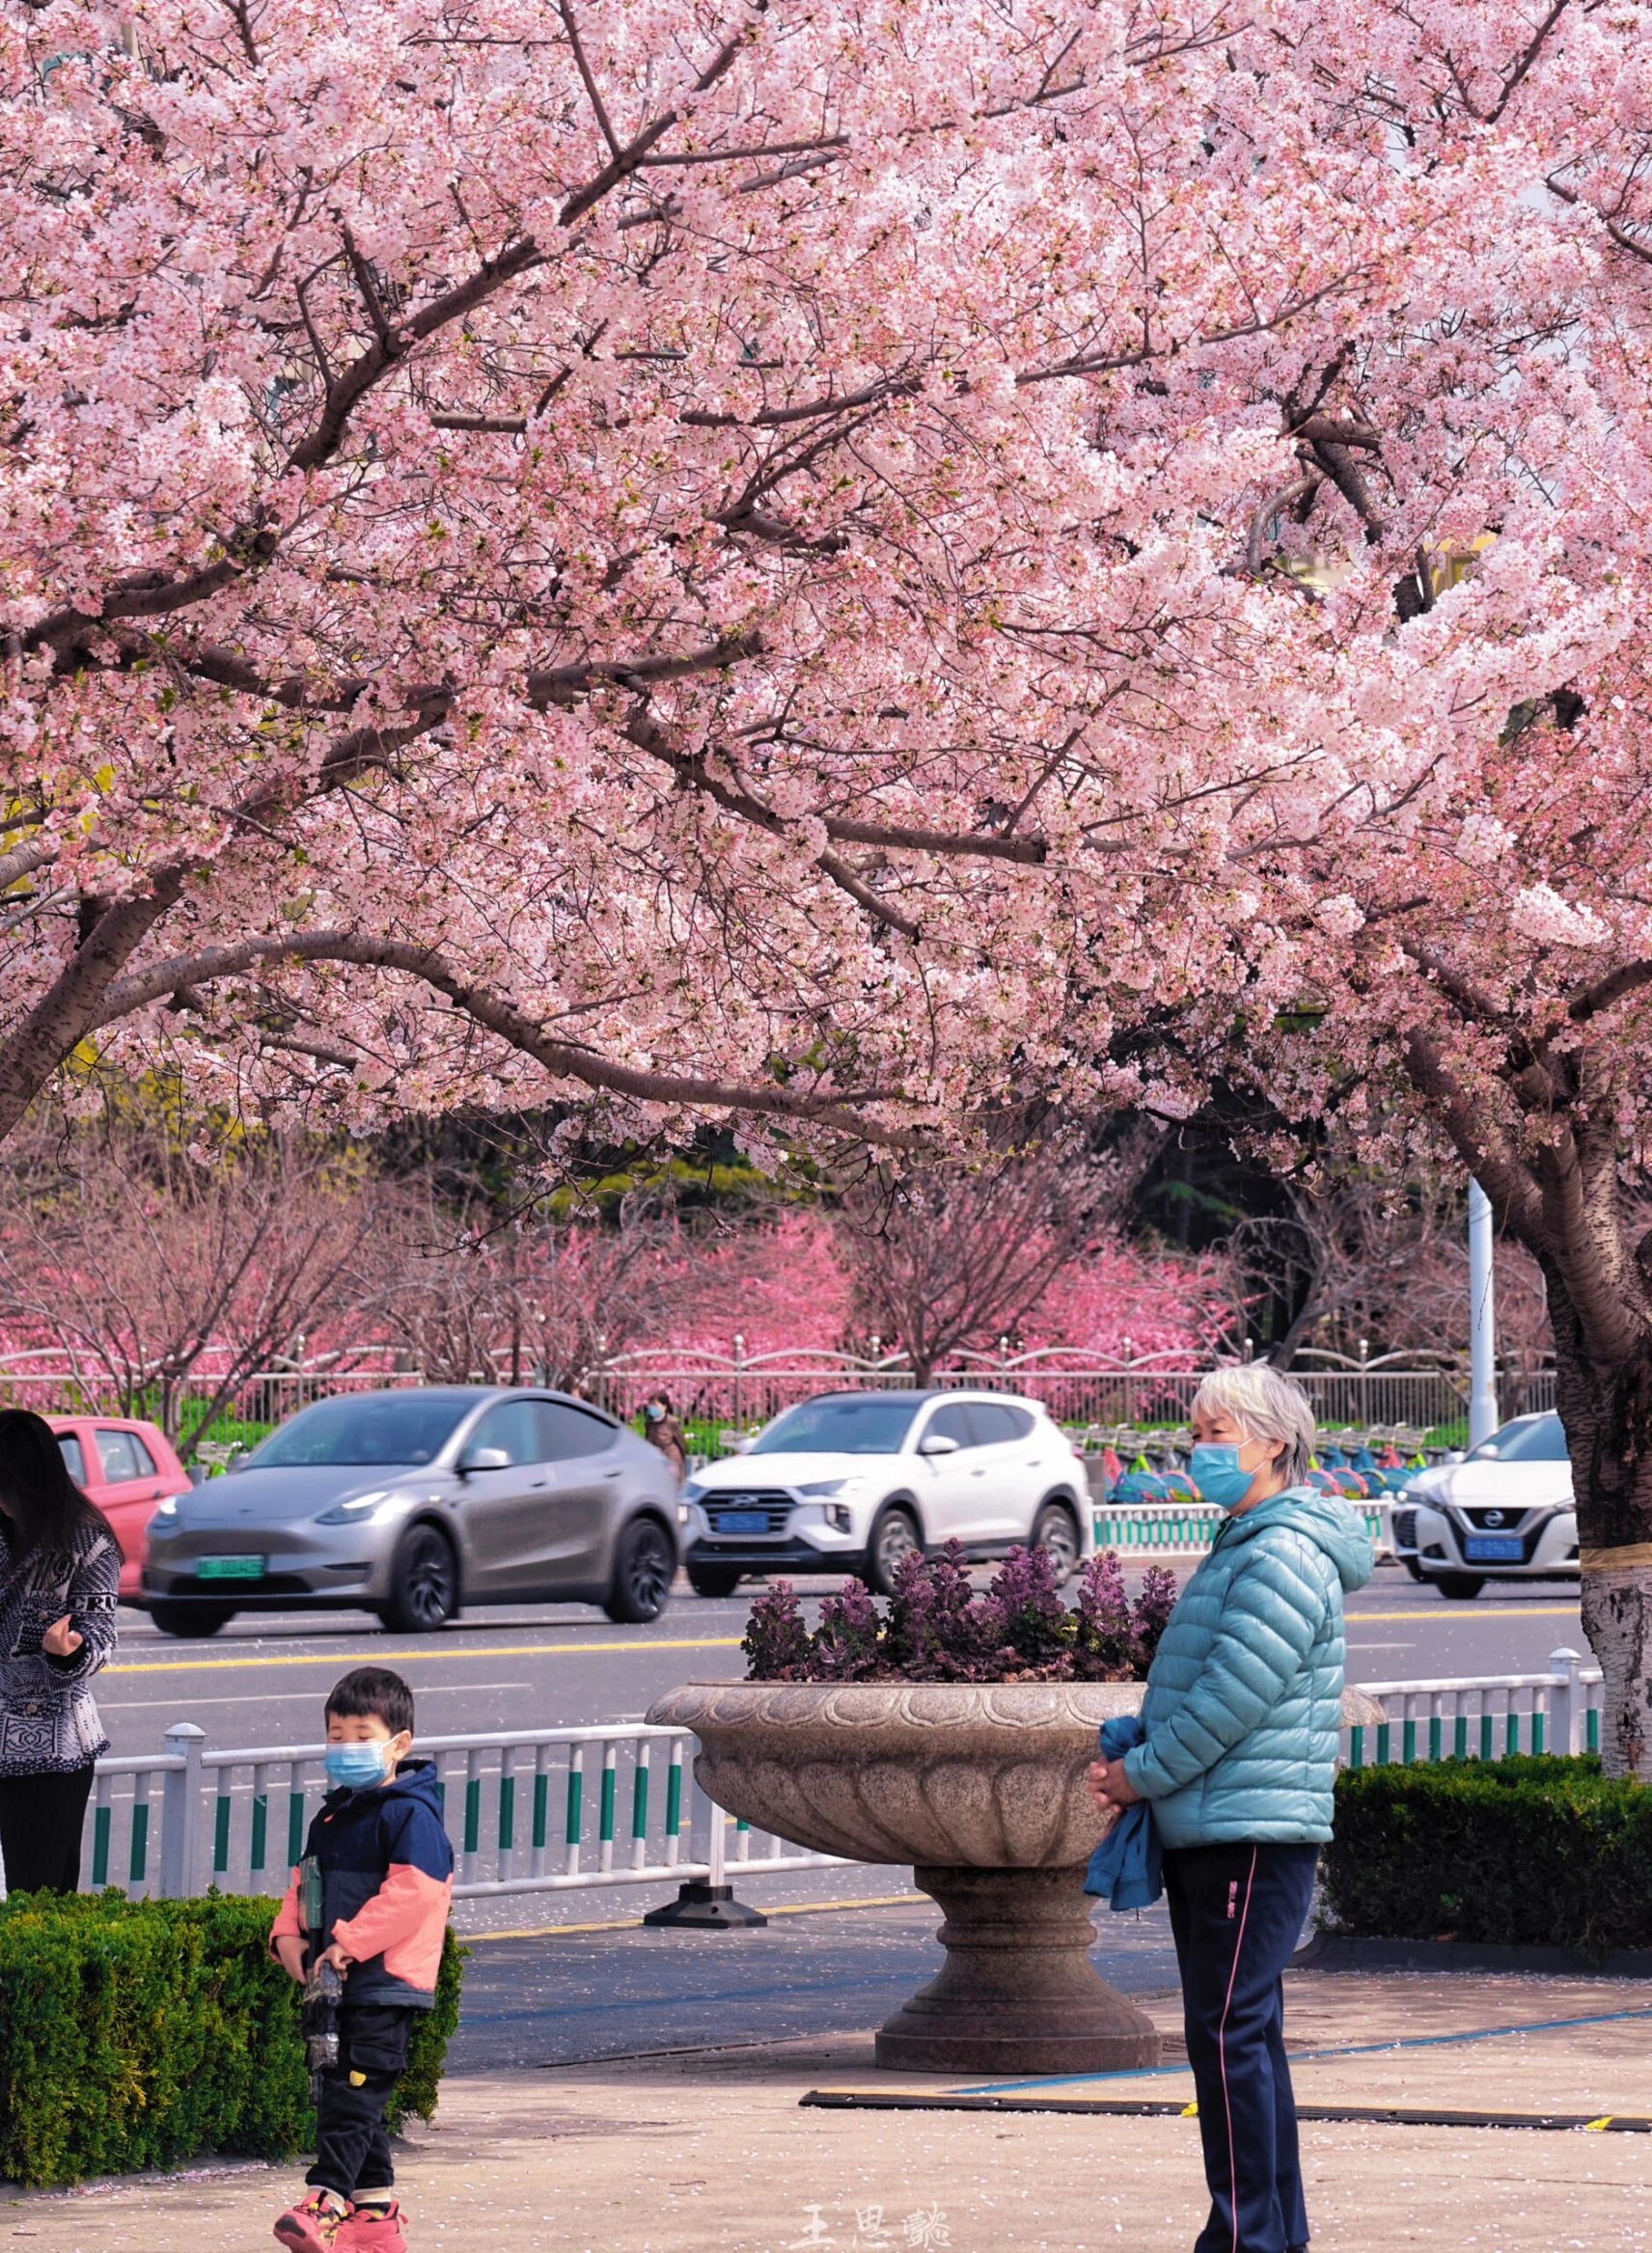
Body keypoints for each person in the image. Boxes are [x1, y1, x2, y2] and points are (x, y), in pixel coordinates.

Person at [1088, 1364, 1372, 2253]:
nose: (1199, 1450)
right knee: (1243, 2032)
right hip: (1224, 1823)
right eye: (1199, 1432)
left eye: (1217, 1434)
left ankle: (1247, 2237)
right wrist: (1137, 1736)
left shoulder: (1281, 1550)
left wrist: (1142, 1773)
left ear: (1272, 1443)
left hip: (1248, 1830)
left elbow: (1230, 1701)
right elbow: (1206, 1681)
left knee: (1227, 2034)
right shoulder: (1248, 1539)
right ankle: (1272, 2235)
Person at [271, 1666, 454, 2253]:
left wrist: (349, 1943)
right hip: (335, 1985)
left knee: (354, 2095)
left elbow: (417, 1892)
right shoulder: (332, 1816)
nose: (346, 1747)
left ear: (400, 1743)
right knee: (345, 2092)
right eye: (336, 1734)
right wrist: (287, 1936)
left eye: (361, 1734)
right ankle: (374, 2221)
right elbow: (305, 1885)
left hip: (385, 1983)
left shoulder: (411, 1815)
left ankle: (323, 2200)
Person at [0, 1407, 121, 1892]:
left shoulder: (88, 1544)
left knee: (39, 1892)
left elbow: (101, 1636)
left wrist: (68, 1650)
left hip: (49, 1746)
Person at [642, 1391, 689, 1480]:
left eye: (655, 1405)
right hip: (656, 1458)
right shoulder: (649, 1423)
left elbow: (680, 1440)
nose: (652, 1408)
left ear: (664, 1407)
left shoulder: (672, 1422)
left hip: (671, 1457)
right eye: (651, 1405)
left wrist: (683, 1456)